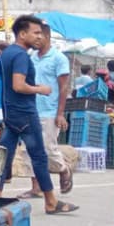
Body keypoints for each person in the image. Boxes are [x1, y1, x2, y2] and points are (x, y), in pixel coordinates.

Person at [0, 15, 77, 215]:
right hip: (25, 113)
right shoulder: (22, 56)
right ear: (22, 34)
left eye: (41, 33)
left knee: (4, 157)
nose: (39, 37)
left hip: (11, 113)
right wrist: (40, 89)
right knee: (39, 156)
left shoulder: (6, 54)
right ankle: (50, 201)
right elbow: (18, 85)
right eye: (35, 33)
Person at [14, 22, 74, 198]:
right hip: (30, 109)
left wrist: (60, 113)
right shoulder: (30, 56)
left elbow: (64, 87)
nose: (36, 40)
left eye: (38, 36)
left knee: (48, 149)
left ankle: (63, 168)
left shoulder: (59, 58)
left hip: (49, 111)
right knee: (28, 150)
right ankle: (36, 186)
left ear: (46, 37)